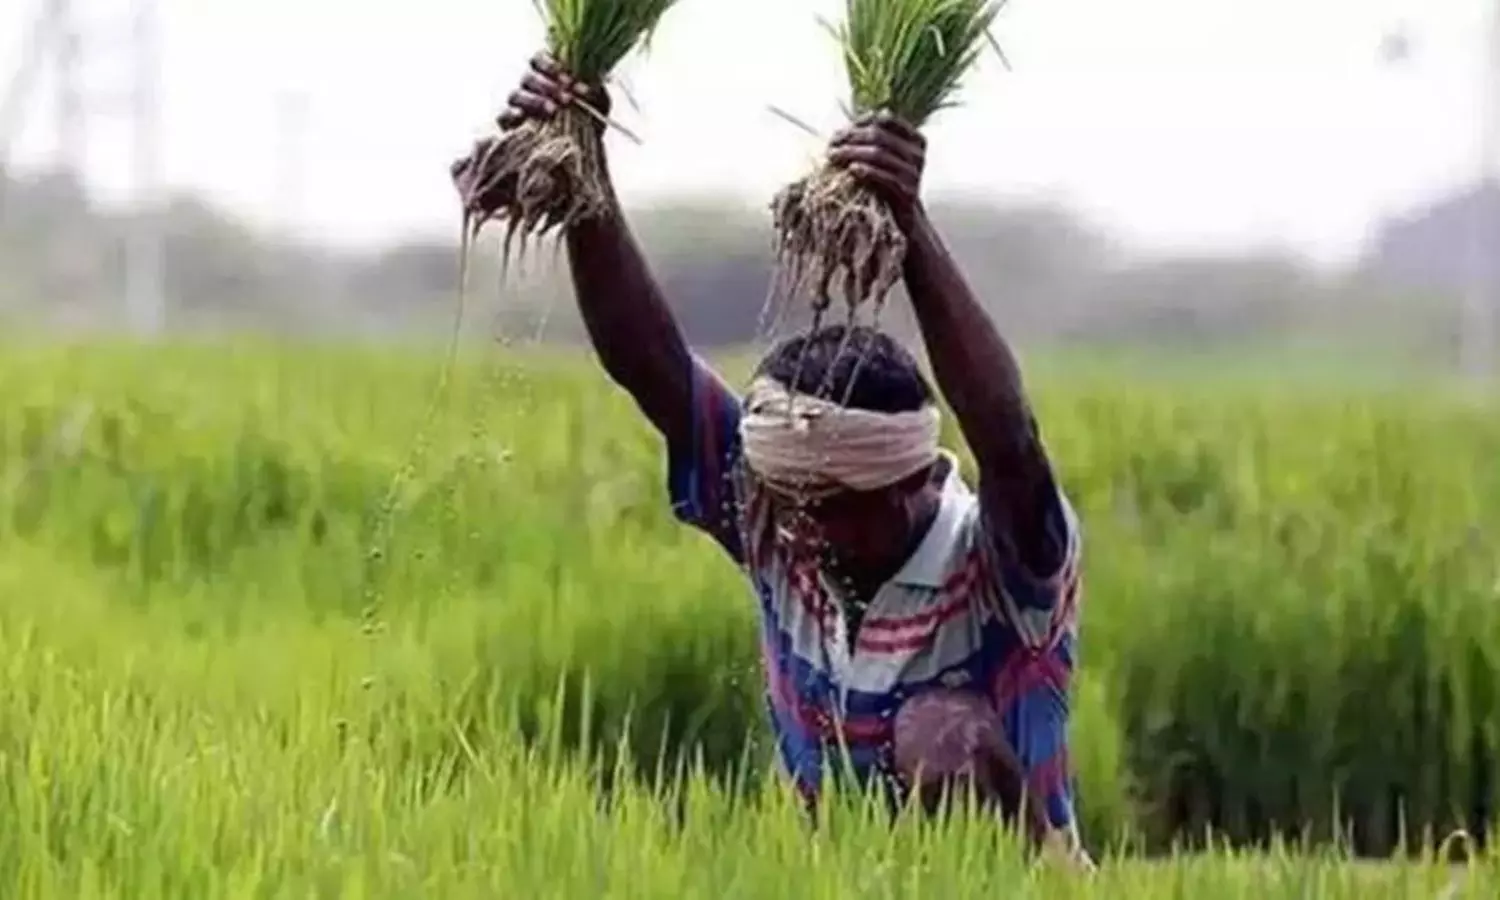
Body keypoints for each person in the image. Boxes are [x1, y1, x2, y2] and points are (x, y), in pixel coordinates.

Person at [452, 54, 1095, 871]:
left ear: (913, 484)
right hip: (832, 878)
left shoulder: (1004, 560)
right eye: (789, 497)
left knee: (938, 733)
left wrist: (908, 222)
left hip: (1012, 881)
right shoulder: (777, 515)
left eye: (830, 505)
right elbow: (650, 364)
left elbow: (1009, 439)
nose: (798, 524)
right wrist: (584, 161)